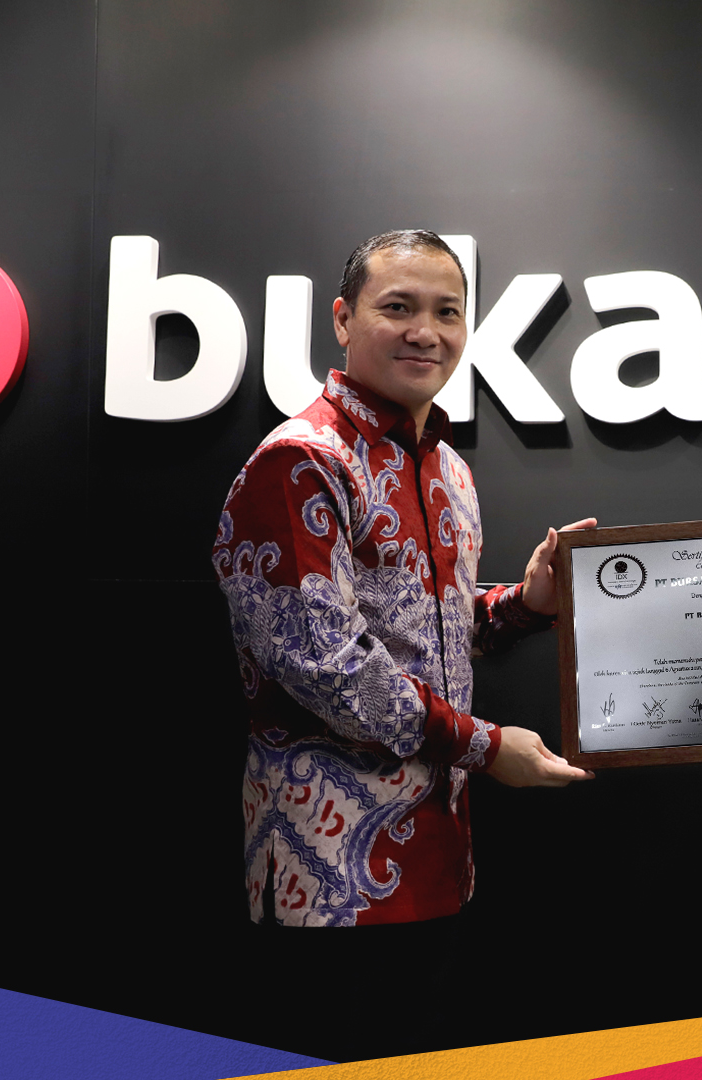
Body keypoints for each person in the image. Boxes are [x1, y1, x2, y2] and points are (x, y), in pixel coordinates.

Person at [214, 230, 592, 926]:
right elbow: (331, 668)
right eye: (398, 307)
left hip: (444, 864)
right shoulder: (299, 463)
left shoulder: (449, 471)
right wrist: (486, 747)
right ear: (342, 320)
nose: (426, 332)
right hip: (327, 882)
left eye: (447, 312)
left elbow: (428, 637)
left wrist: (525, 605)